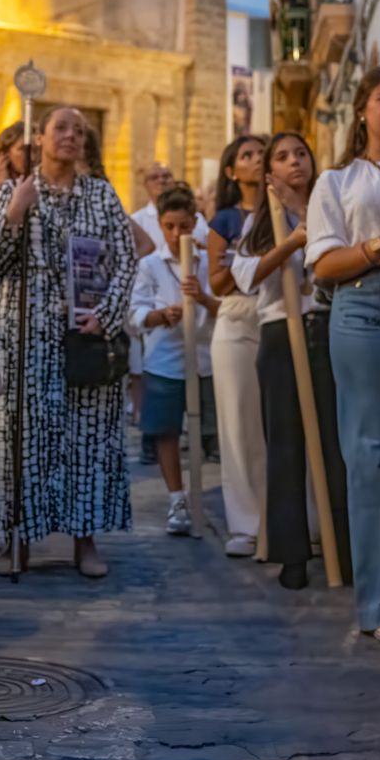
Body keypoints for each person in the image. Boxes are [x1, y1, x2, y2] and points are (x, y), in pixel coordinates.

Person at [0, 105, 134, 580]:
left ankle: (85, 539)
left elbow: (126, 260)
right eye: (61, 128)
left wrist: (104, 316)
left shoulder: (103, 195)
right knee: (21, 437)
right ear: (39, 137)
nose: (70, 136)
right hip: (25, 339)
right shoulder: (14, 189)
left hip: (83, 336)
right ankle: (14, 538)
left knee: (87, 438)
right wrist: (13, 215)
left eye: (79, 131)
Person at [306, 65, 380, 639]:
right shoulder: (337, 182)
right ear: (362, 111)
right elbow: (324, 264)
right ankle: (379, 604)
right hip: (361, 305)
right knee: (370, 455)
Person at [232, 131, 347, 593]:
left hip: (326, 325)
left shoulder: (329, 206)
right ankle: (291, 553)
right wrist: (292, 238)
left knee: (336, 443)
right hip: (281, 331)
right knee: (285, 445)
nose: (294, 162)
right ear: (270, 173)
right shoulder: (261, 224)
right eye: (282, 157)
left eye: (300, 153)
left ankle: (344, 548)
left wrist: (307, 227)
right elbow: (245, 275)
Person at [129, 185, 218, 537]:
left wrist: (204, 299)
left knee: (207, 430)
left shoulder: (208, 260)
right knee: (167, 432)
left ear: (195, 223)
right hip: (165, 359)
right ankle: (177, 497)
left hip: (206, 357)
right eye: (169, 226)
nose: (177, 234)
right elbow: (135, 312)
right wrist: (160, 315)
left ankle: (206, 497)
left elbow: (228, 304)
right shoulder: (150, 265)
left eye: (184, 226)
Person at [204, 134, 268, 558]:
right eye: (247, 155)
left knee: (277, 425)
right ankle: (245, 523)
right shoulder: (224, 221)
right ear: (232, 172)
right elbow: (219, 281)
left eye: (262, 153)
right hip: (239, 320)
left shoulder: (286, 212)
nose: (257, 160)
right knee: (239, 426)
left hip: (280, 314)